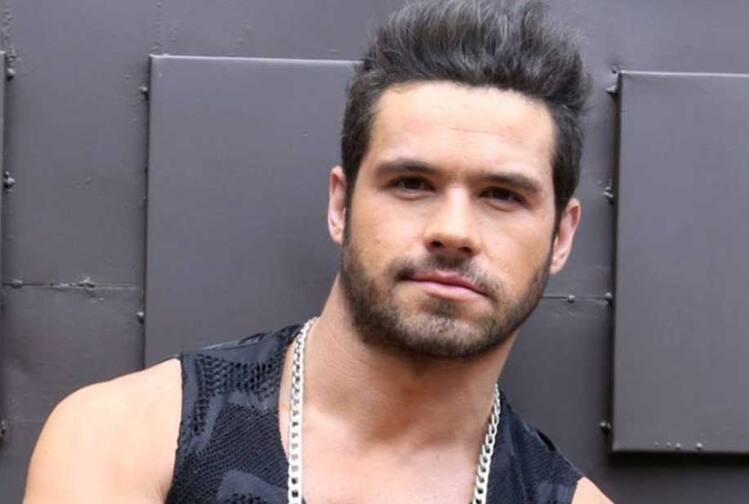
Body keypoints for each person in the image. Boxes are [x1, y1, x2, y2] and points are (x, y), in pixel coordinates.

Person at [25, 0, 611, 502]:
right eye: (412, 183)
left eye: (503, 195)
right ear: (340, 205)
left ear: (561, 237)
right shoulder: (126, 439)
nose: (453, 230)